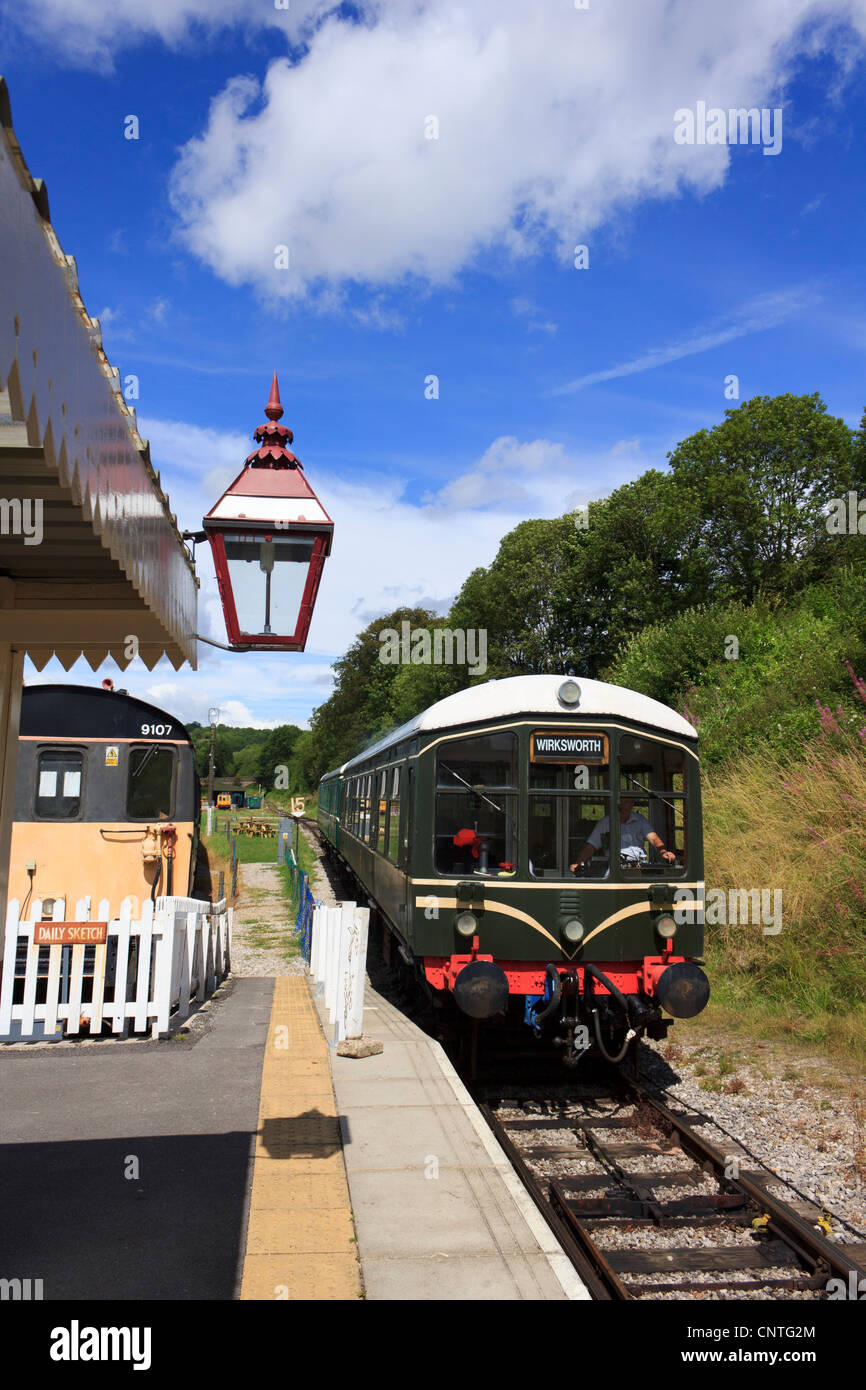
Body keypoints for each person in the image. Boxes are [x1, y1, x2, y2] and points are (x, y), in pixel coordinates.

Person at [570, 796, 676, 871]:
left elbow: (653, 838)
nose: (623, 807)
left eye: (626, 803)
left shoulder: (640, 820)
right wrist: (578, 863)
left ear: (631, 805)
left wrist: (663, 852)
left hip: (640, 865)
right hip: (615, 868)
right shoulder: (605, 823)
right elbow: (591, 845)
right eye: (621, 804)